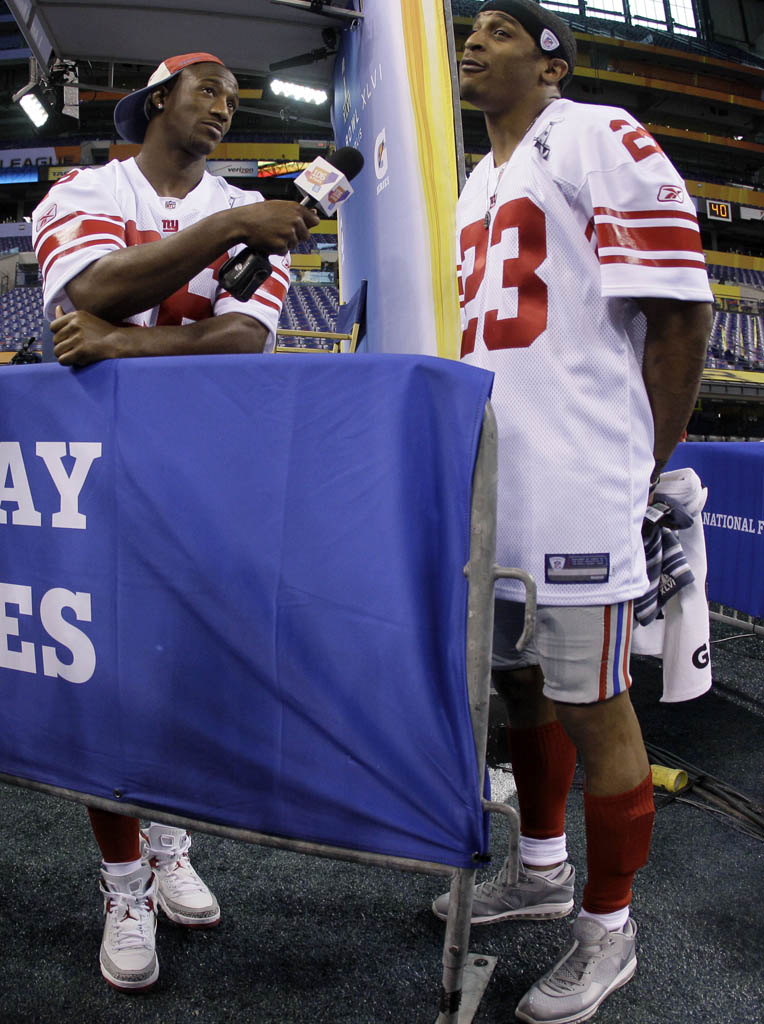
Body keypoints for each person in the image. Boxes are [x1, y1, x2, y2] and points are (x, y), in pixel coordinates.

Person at [432, 4, 713, 1023]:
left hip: (576, 480)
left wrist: (636, 463)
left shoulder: (593, 131)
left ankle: (609, 929)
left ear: (553, 61)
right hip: (496, 478)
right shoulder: (475, 180)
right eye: (468, 29)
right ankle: (542, 867)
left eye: (500, 29)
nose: (473, 41)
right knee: (517, 684)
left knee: (595, 702)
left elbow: (681, 308)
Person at [32, 51, 319, 992]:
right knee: (101, 684)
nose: (227, 109)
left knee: (178, 672)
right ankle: (122, 882)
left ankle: (168, 837)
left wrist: (121, 344)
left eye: (238, 99)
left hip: (201, 474)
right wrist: (231, 226)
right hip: (93, 479)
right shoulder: (85, 188)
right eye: (210, 92)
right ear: (158, 100)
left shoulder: (255, 208)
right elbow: (90, 295)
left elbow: (243, 342)